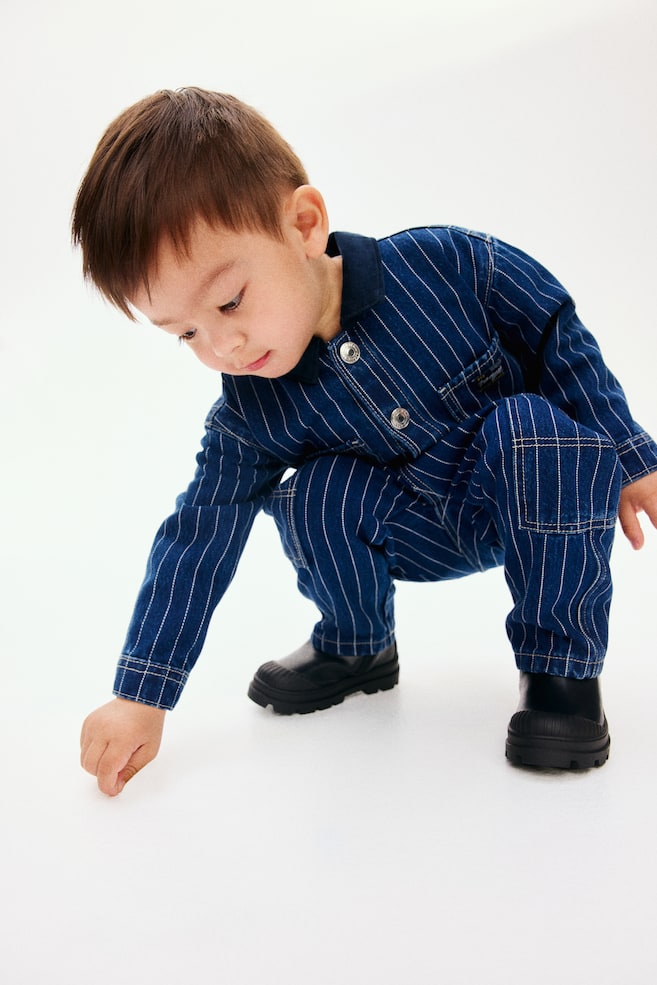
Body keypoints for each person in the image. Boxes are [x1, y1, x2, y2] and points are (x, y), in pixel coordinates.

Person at [73, 87, 657, 797]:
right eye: (187, 333)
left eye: (229, 301)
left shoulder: (450, 265)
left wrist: (630, 455)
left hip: (529, 501)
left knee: (530, 428)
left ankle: (560, 674)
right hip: (411, 532)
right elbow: (199, 532)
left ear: (304, 224)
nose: (222, 345)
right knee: (316, 493)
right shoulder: (251, 410)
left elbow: (553, 331)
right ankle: (358, 646)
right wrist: (142, 691)